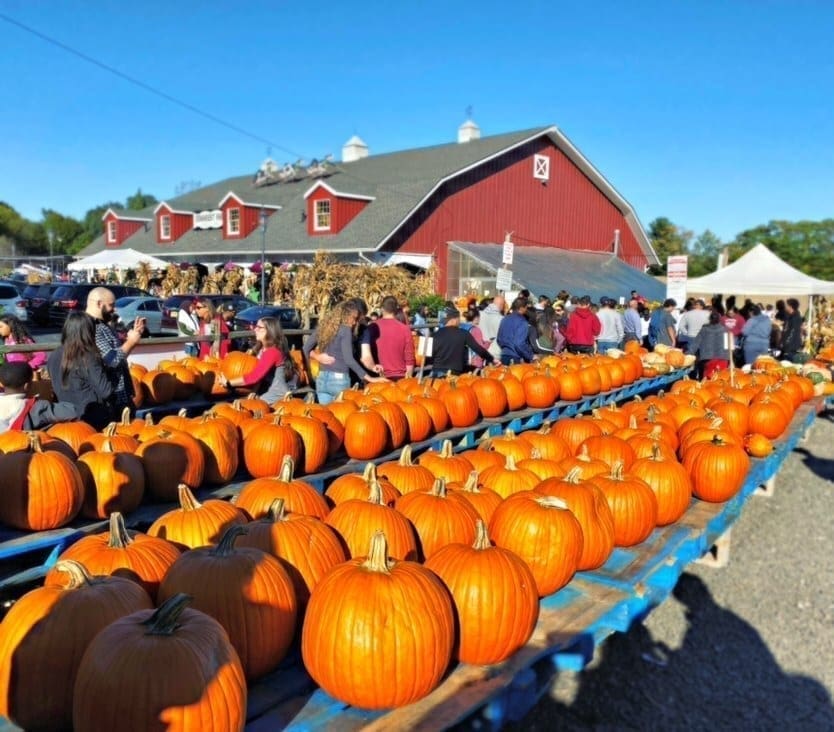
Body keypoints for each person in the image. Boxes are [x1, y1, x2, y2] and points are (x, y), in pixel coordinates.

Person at [303, 301, 387, 405]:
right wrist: (370, 378)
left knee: (326, 416)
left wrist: (317, 357)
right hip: (339, 380)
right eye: (354, 319)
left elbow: (305, 348)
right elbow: (349, 360)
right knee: (340, 418)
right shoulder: (346, 330)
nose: (354, 323)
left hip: (322, 379)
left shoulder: (324, 327)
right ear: (346, 316)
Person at [47, 312, 117, 429]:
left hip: (64, 417)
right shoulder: (87, 356)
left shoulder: (54, 355)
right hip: (92, 419)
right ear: (89, 331)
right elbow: (106, 391)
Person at [86, 286, 143, 417]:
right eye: (111, 305)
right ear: (99, 304)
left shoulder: (104, 325)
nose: (114, 309)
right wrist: (131, 341)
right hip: (110, 398)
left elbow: (120, 357)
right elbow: (112, 360)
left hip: (121, 394)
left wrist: (132, 338)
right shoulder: (92, 328)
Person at [222, 316, 297, 402]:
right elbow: (261, 374)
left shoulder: (272, 352)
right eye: (255, 326)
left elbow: (255, 376)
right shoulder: (262, 349)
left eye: (259, 327)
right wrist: (254, 391)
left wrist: (229, 383)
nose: (255, 330)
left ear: (269, 331)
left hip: (277, 395)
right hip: (266, 391)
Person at [0, 362, 76, 432]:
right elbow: (72, 412)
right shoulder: (36, 407)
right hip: (20, 445)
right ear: (27, 386)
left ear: (1, 384)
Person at [360, 295, 416, 381]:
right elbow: (409, 357)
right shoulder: (405, 329)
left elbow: (366, 353)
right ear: (396, 310)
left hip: (378, 375)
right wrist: (408, 378)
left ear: (382, 309)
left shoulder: (372, 327)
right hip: (400, 376)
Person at [429, 307, 495, 377]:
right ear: (455, 320)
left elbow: (427, 356)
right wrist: (492, 359)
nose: (459, 322)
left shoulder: (434, 334)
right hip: (453, 373)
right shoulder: (463, 334)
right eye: (459, 319)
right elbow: (478, 349)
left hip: (435, 372)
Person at [689, 311, 731, 379]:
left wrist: (689, 353)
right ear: (719, 319)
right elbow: (728, 345)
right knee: (721, 379)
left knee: (708, 379)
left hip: (708, 358)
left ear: (710, 319)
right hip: (723, 357)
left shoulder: (704, 329)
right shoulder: (725, 330)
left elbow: (696, 343)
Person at [496, 297, 537, 364]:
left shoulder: (505, 319)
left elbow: (499, 339)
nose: (526, 310)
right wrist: (531, 355)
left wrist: (506, 347)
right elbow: (519, 343)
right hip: (516, 357)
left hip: (504, 356)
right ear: (521, 308)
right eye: (526, 308)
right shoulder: (522, 322)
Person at [478, 294, 506, 360]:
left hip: (480, 350)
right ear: (502, 305)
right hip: (495, 353)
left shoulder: (479, 315)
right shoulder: (502, 319)